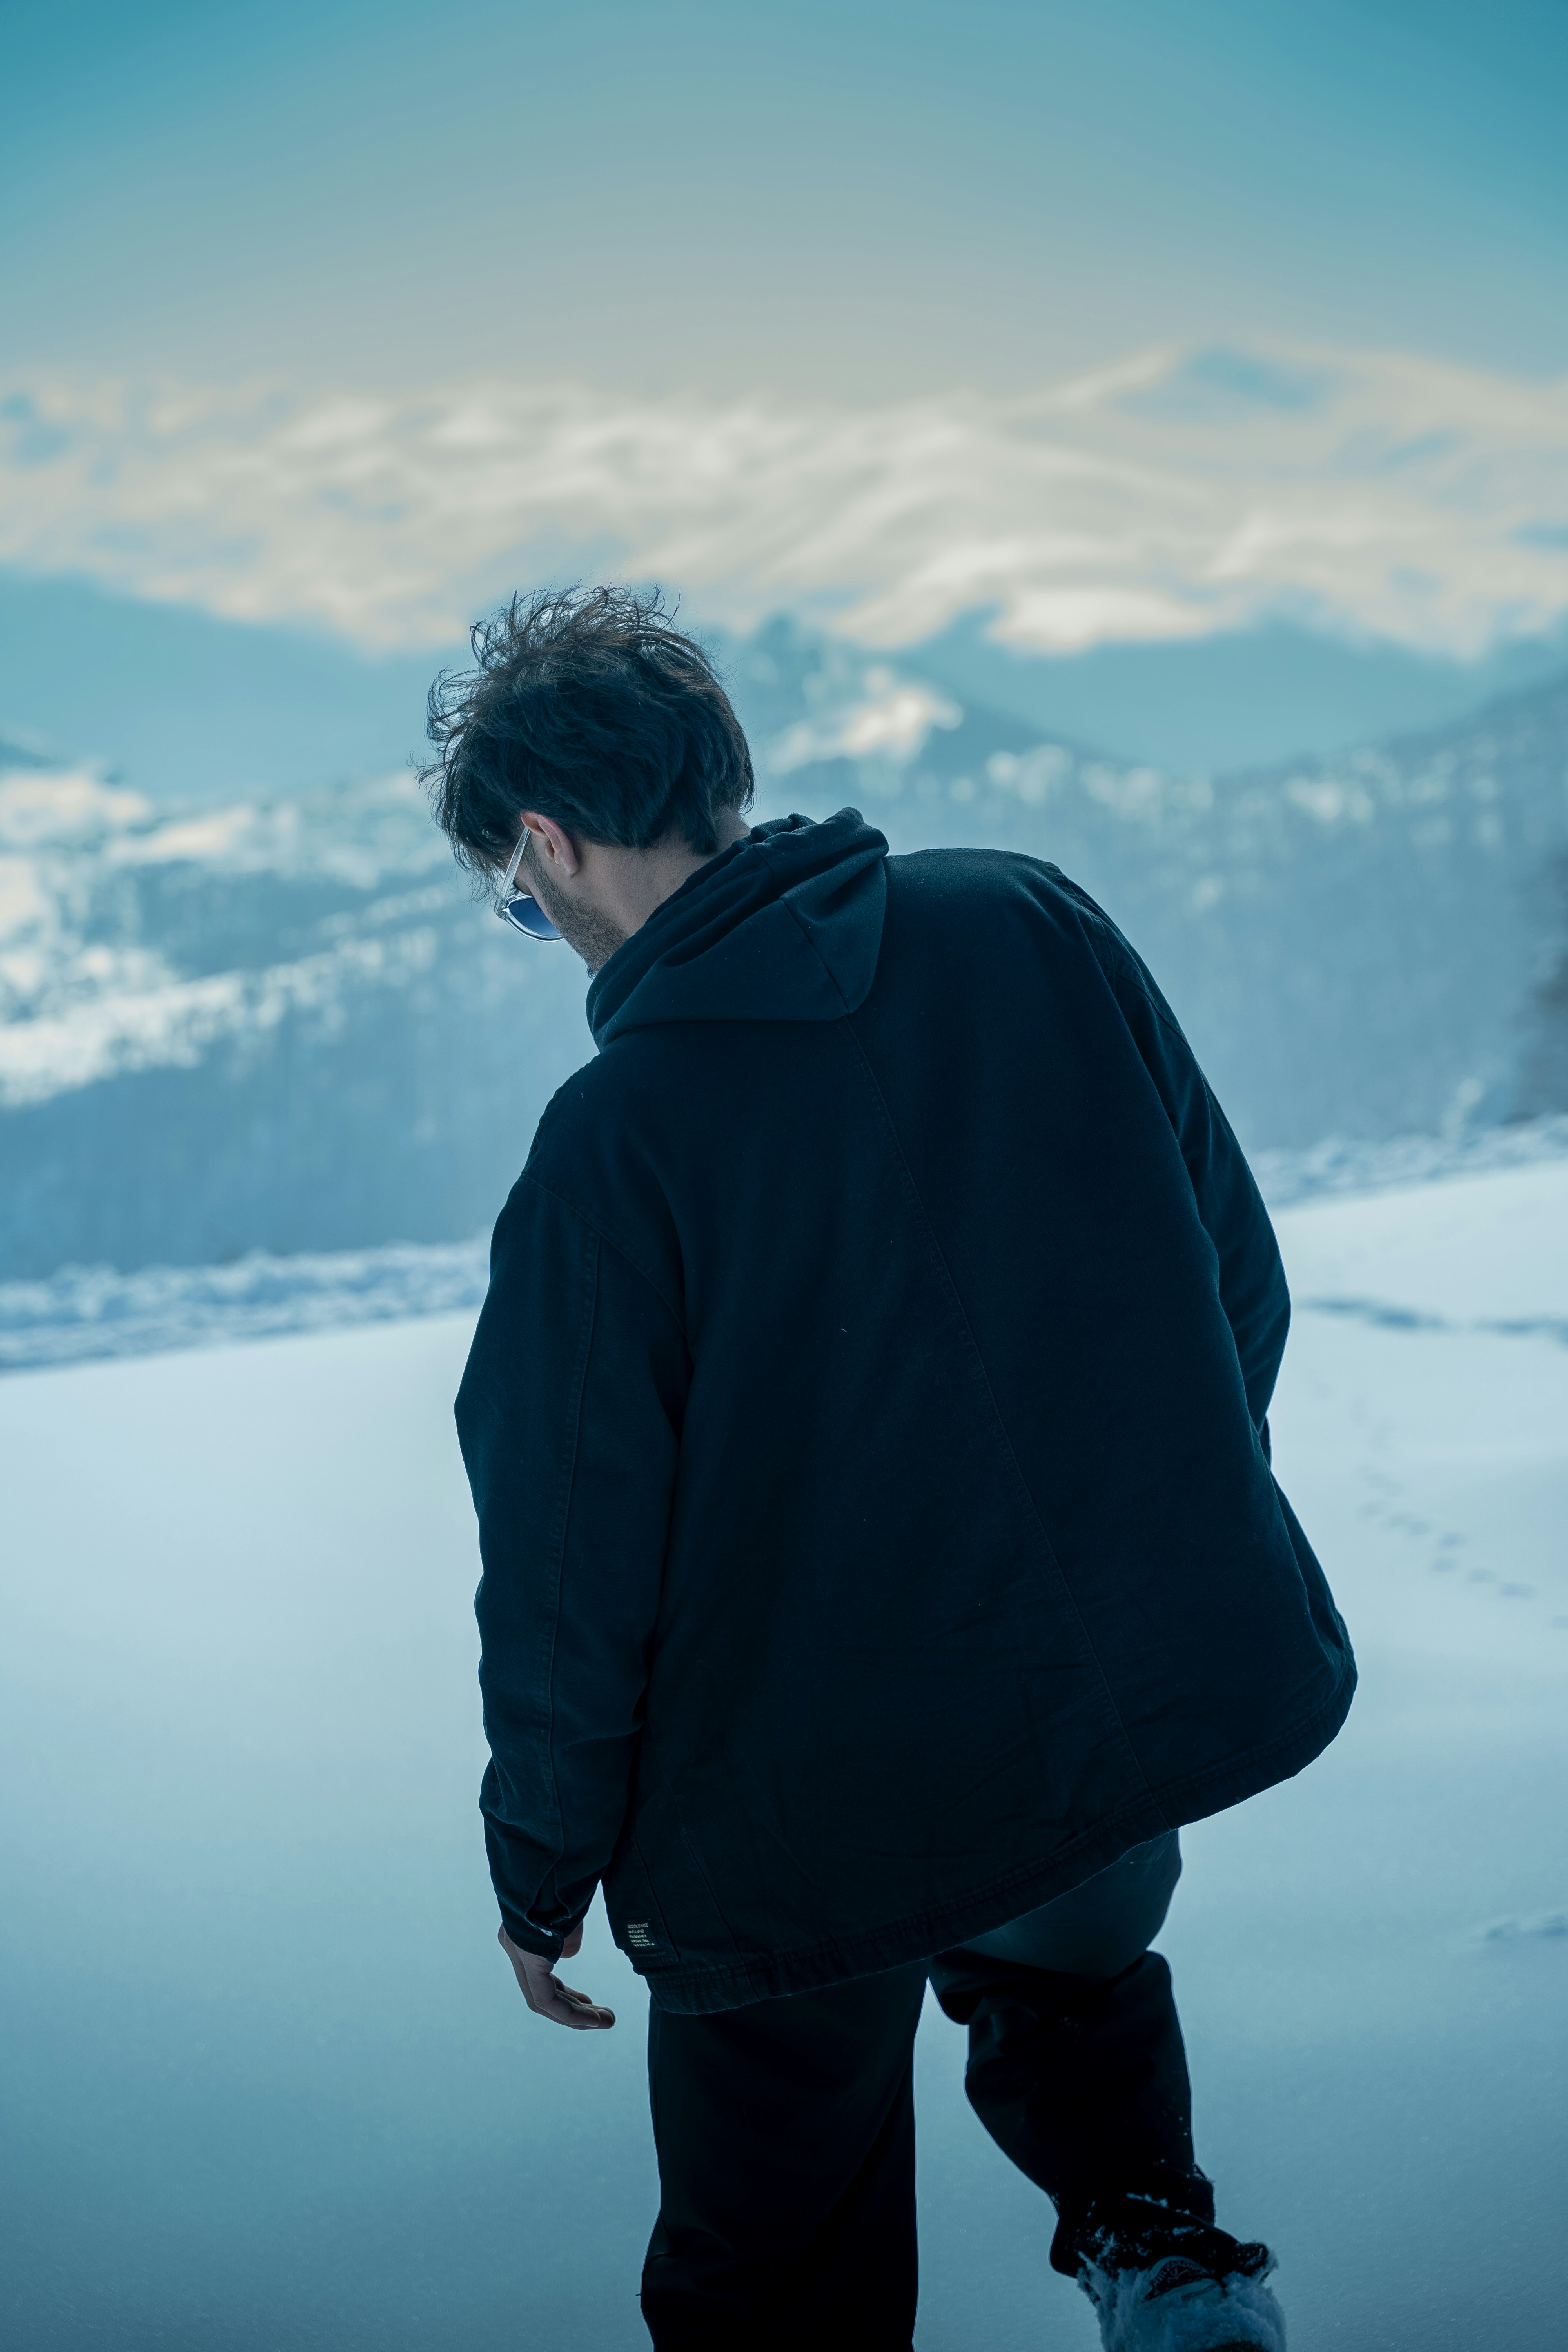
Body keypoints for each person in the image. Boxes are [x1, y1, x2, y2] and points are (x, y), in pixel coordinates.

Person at [423, 586, 1355, 2352]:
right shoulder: (1025, 921)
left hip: (798, 1833)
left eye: (515, 896)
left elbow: (565, 1571)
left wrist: (538, 1871)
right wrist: (1140, 1545)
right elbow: (1233, 1271)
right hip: (1114, 1728)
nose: (534, 920)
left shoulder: (614, 1147)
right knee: (1063, 1971)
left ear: (546, 841)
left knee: (775, 2259)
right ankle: (1162, 2265)